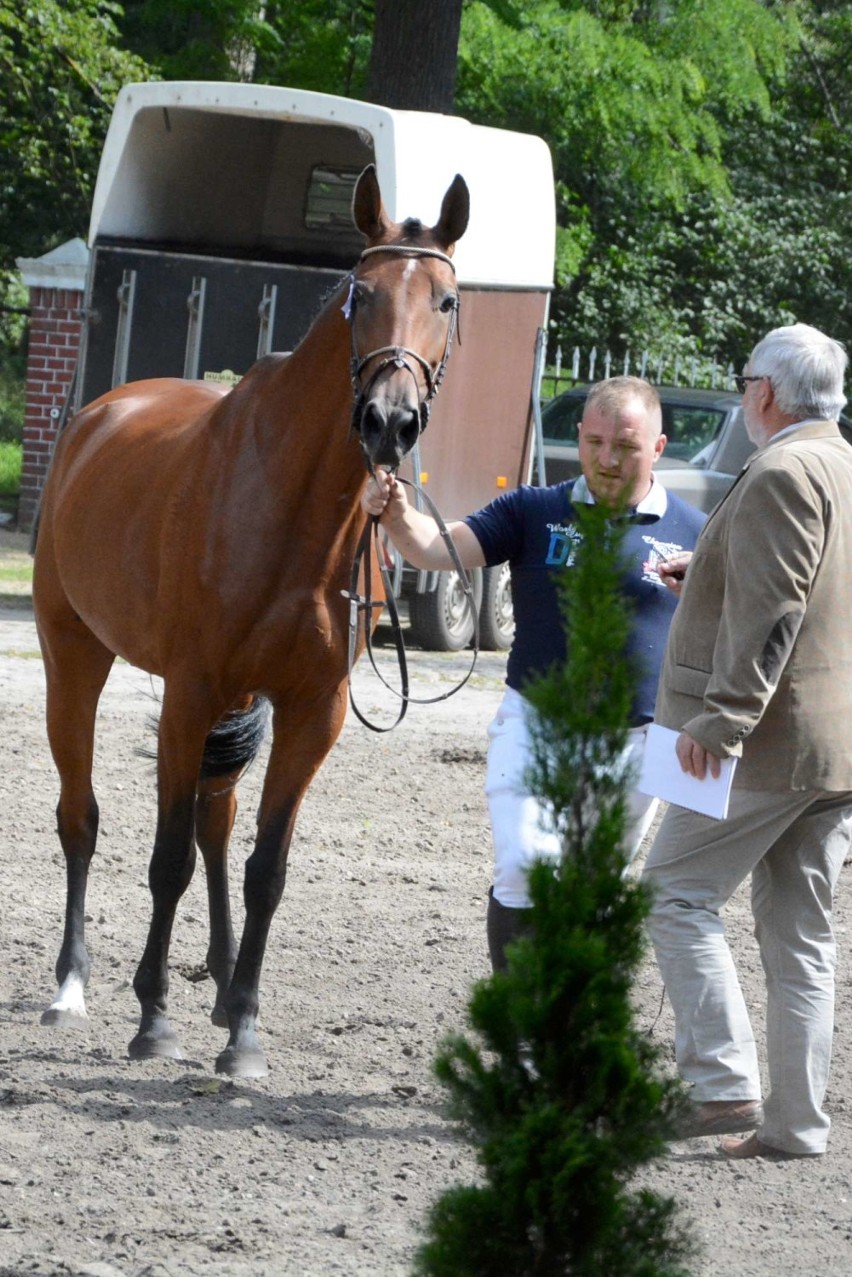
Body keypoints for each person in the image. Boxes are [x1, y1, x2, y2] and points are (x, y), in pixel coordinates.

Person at [361, 375, 705, 972]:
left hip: (639, 740)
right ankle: (521, 1032)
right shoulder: (533, 510)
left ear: (657, 447)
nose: (606, 459)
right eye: (595, 442)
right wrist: (396, 513)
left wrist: (713, 582)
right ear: (579, 435)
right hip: (535, 723)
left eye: (625, 446)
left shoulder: (698, 533)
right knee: (524, 865)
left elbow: (742, 625)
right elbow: (434, 548)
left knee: (597, 889)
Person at [642, 323, 852, 1159]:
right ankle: (796, 1123)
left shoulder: (780, 471)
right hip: (834, 744)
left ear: (765, 391)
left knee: (671, 891)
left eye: (742, 382)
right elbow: (813, 586)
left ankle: (723, 1084)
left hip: (767, 738)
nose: (740, 396)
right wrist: (713, 572)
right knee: (801, 932)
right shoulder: (841, 462)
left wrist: (723, 717)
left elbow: (777, 611)